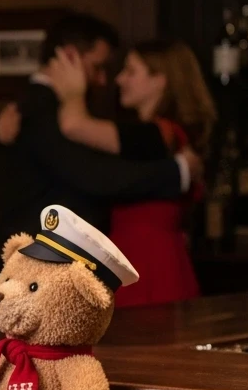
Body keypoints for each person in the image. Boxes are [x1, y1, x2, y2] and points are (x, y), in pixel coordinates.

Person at [0, 12, 199, 288]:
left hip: (59, 272)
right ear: (70, 56)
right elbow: (95, 176)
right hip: (35, 274)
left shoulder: (34, 106)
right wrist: (178, 172)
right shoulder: (38, 108)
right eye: (98, 67)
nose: (104, 79)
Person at [37, 40, 215, 307]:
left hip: (147, 263)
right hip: (152, 257)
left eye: (131, 71)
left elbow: (74, 125)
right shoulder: (163, 134)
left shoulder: (156, 135)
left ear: (160, 80)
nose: (120, 79)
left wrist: (73, 91)